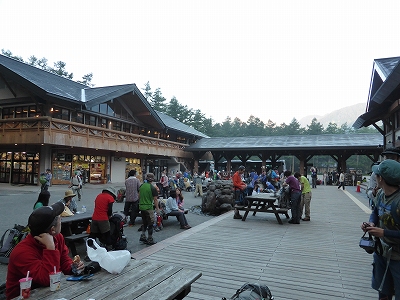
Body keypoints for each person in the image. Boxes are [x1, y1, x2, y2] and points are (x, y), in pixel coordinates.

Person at [6, 202, 85, 299]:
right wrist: (50, 248)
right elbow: (47, 279)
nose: (61, 219)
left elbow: (64, 260)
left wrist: (73, 267)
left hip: (49, 293)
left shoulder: (58, 237)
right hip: (23, 297)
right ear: (52, 230)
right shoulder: (22, 252)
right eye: (60, 218)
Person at [361, 159, 400, 300]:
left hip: (397, 257)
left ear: (381, 178)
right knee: (383, 290)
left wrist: (383, 232)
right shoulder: (381, 195)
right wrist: (371, 223)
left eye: (376, 175)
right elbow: (376, 212)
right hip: (381, 252)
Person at [139, 173, 160, 245]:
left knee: (144, 222)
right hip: (148, 207)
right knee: (150, 223)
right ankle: (150, 239)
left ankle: (143, 235)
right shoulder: (152, 188)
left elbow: (139, 196)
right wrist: (157, 209)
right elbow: (155, 199)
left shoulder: (141, 186)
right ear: (153, 179)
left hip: (141, 207)